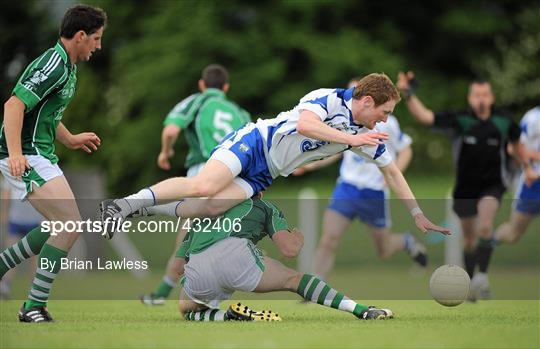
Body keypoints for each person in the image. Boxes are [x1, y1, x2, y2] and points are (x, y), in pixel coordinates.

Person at [101, 73, 449, 244]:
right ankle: (123, 203)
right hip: (255, 142)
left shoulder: (365, 134)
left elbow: (392, 172)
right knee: (202, 186)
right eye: (385, 111)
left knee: (208, 208)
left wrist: (417, 213)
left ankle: (137, 208)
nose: (385, 120)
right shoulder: (328, 99)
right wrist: (351, 139)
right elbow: (307, 125)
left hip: (265, 173)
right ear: (368, 101)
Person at [0, 4, 106, 322]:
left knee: (60, 225)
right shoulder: (54, 64)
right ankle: (33, 305)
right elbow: (14, 105)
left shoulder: (67, 66)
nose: (98, 46)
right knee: (69, 224)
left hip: (41, 153)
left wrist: (69, 138)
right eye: (97, 39)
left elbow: (43, 111)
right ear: (81, 35)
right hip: (26, 154)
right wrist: (17, 154)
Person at [396, 71, 530, 300]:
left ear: (491, 97)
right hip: (465, 190)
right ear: (470, 97)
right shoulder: (460, 120)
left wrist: (527, 167)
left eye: (485, 95)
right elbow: (426, 117)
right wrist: (409, 95)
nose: (481, 99)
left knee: (485, 227)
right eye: (477, 95)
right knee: (469, 239)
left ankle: (483, 277)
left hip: (493, 186)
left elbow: (517, 146)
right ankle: (469, 284)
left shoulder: (504, 122)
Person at [177, 196, 394, 321]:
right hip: (236, 257)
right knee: (295, 280)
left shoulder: (204, 209)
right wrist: (297, 240)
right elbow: (289, 250)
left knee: (186, 309)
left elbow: (180, 262)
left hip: (198, 268)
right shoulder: (264, 206)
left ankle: (225, 317)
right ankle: (360, 310)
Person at [294, 77, 426, 281]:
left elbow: (405, 150)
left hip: (374, 192)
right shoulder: (343, 119)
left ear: (367, 100)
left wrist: (391, 175)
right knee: (329, 238)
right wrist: (309, 165)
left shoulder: (385, 121)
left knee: (384, 250)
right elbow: (335, 150)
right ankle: (315, 287)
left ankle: (406, 242)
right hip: (347, 188)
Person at [141, 64, 251, 305]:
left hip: (205, 172)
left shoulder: (198, 101)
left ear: (202, 85)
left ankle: (177, 294)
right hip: (234, 178)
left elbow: (171, 130)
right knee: (221, 238)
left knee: (188, 237)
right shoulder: (240, 113)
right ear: (226, 88)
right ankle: (188, 293)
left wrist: (165, 152)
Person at [495, 106, 540, 244]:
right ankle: (490, 240)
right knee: (513, 235)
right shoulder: (533, 119)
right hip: (532, 185)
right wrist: (528, 169)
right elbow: (512, 148)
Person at [0, 176, 43, 299]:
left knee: (35, 258)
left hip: (35, 221)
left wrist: (45, 217)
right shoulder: (10, 172)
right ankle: (5, 285)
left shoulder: (37, 172)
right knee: (11, 254)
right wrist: (4, 213)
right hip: (16, 220)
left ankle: (35, 288)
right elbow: (6, 194)